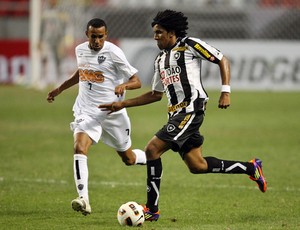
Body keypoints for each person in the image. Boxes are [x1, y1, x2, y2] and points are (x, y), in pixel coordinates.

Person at [99, 10, 267, 221]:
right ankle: (252, 167)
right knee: (198, 166)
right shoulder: (160, 59)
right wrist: (122, 104)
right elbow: (155, 94)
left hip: (191, 110)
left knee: (152, 149)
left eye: (159, 32)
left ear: (171, 32)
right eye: (154, 32)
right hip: (175, 115)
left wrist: (226, 91)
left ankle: (152, 209)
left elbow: (222, 59)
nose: (155, 36)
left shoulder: (189, 45)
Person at [47, 18, 146, 216]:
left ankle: (151, 157)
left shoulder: (114, 53)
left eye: (101, 37)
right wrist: (59, 89)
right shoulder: (80, 50)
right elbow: (81, 73)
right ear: (87, 35)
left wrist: (123, 86)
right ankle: (84, 199)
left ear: (106, 36)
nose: (97, 41)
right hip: (87, 109)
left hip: (112, 110)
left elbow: (137, 81)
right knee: (79, 146)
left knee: (128, 158)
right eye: (94, 36)